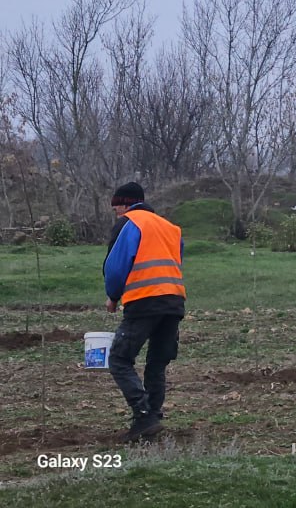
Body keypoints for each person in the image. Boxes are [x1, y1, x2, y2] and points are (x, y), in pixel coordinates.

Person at [102, 182, 186, 441]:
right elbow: (177, 260)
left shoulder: (129, 223)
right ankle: (153, 418)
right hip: (174, 301)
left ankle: (144, 415)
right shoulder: (170, 227)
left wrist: (113, 296)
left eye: (117, 207)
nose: (116, 212)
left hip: (144, 300)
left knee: (119, 359)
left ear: (126, 204)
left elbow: (116, 266)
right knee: (157, 362)